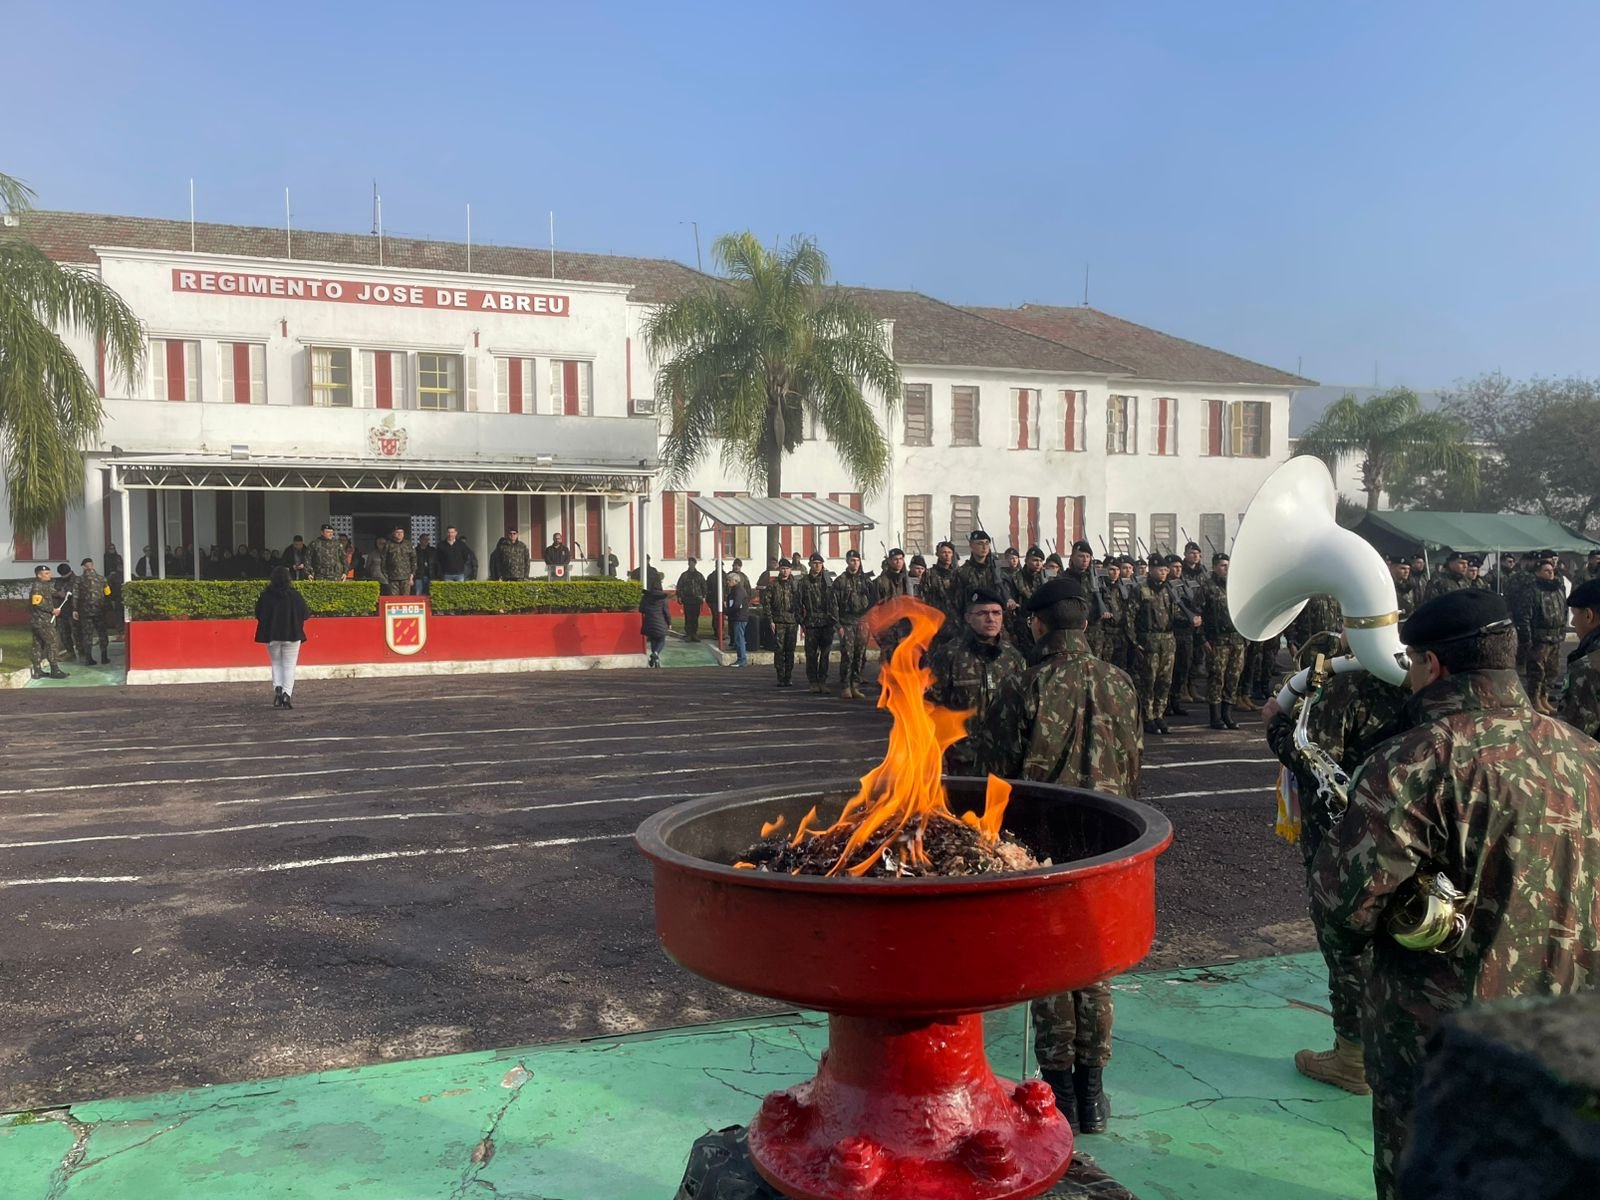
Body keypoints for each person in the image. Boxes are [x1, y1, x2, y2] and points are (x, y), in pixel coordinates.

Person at [1311, 590, 1600, 1200]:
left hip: (1442, 1043)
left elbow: (1343, 909)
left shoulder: (1418, 758)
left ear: (1432, 665)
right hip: (1572, 1032)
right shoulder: (1586, 756)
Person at [985, 575, 1143, 1134]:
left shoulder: (1026, 685)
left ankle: (1059, 1097)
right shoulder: (1122, 683)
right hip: (1109, 839)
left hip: (1047, 844)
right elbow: (1134, 762)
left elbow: (999, 773)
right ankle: (1094, 1096)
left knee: (1052, 968)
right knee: (1094, 966)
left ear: (1039, 623)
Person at [1264, 649, 1411, 1096]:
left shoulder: (1348, 686)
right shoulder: (1421, 682)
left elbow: (1313, 759)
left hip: (1345, 839)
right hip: (1411, 833)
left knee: (1347, 939)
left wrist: (1276, 723)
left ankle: (1352, 1058)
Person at [925, 587, 1025, 775]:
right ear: (968, 617)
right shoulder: (948, 655)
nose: (991, 619)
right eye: (982, 613)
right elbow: (930, 708)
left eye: (996, 613)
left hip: (1004, 759)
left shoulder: (1013, 657)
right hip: (963, 759)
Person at [1198, 553, 1246, 730]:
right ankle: (1215, 716)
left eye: (1228, 565)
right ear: (1214, 567)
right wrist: (1203, 639)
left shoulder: (1236, 586)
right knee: (1216, 677)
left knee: (1233, 677)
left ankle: (1228, 714)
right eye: (1222, 566)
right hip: (1217, 640)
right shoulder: (1207, 587)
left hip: (1236, 639)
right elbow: (1197, 614)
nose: (1226, 569)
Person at [1518, 554, 1569, 714]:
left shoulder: (1558, 588)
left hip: (1555, 637)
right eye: (1546, 570)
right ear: (1537, 573)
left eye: (1551, 570)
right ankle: (1534, 700)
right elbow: (1525, 616)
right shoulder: (1532, 590)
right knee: (1536, 672)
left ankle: (1544, 698)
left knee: (1552, 671)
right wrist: (1527, 638)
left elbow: (1564, 611)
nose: (1550, 573)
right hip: (1539, 639)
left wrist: (1562, 631)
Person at [254, 566, 310, 709]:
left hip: (272, 635)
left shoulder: (266, 595)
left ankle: (277, 690)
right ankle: (287, 694)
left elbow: (259, 614)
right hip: (292, 634)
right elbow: (305, 614)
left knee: (276, 663)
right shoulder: (295, 595)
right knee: (289, 666)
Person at [1134, 557, 1177, 735]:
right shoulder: (1141, 589)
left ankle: (1159, 714)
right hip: (1149, 641)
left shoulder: (1170, 590)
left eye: (1166, 570)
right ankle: (1147, 716)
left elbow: (1177, 613)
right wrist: (1135, 643)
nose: (1163, 572)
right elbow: (1131, 617)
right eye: (1160, 569)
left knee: (1165, 681)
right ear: (1150, 569)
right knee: (1148, 681)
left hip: (1167, 641)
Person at [1559, 578, 1600, 738]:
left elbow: (1573, 736)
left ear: (1589, 615)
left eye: (1575, 614)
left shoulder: (1588, 667)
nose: (1573, 622)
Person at [832, 548, 874, 697]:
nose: (854, 563)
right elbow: (834, 605)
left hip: (862, 623)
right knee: (848, 655)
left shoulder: (866, 581)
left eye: (857, 560)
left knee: (859, 655)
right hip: (847, 622)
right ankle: (845, 685)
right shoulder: (840, 581)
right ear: (847, 562)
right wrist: (838, 625)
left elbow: (873, 602)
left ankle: (855, 685)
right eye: (852, 561)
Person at [798, 552, 836, 693]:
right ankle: (813, 681)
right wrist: (802, 621)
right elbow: (798, 603)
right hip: (811, 623)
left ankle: (823, 681)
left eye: (819, 563)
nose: (817, 566)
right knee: (812, 654)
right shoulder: (803, 583)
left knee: (825, 655)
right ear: (809, 565)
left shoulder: (828, 582)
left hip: (826, 623)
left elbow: (834, 602)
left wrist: (833, 619)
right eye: (814, 563)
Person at [27, 564, 69, 680]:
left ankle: (37, 671)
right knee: (52, 643)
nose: (49, 575)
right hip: (42, 621)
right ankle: (54, 670)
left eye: (49, 573)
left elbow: (53, 592)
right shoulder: (37, 586)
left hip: (39, 621)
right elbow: (37, 602)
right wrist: (52, 610)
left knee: (38, 645)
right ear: (39, 575)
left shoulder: (44, 585)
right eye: (46, 573)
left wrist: (64, 593)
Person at [765, 557, 801, 687]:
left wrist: (800, 619)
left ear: (791, 570)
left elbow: (801, 603)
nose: (785, 571)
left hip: (792, 622)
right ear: (779, 569)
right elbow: (767, 603)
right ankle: (780, 676)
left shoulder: (796, 585)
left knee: (790, 650)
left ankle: (788, 676)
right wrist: (771, 620)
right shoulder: (773, 585)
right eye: (782, 568)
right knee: (779, 650)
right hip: (778, 621)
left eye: (787, 569)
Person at [72, 557, 114, 666]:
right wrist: (108, 607)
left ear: (83, 567)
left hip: (85, 611)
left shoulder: (79, 580)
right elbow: (108, 594)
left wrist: (74, 609)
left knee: (87, 634)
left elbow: (75, 595)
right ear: (93, 566)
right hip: (99, 610)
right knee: (102, 633)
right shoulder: (102, 579)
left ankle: (89, 658)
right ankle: (104, 657)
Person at [675, 557, 707, 641]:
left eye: (692, 563)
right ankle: (688, 634)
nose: (691, 565)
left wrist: (703, 596)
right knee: (688, 617)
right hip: (687, 600)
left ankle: (694, 634)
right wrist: (679, 596)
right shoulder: (684, 575)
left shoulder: (699, 575)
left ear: (695, 564)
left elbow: (704, 586)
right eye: (690, 563)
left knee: (695, 618)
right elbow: (679, 586)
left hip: (697, 600)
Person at [639, 581, 670, 668]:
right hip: (660, 622)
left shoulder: (645, 598)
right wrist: (669, 623)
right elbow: (666, 613)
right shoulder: (663, 599)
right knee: (661, 639)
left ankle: (655, 658)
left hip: (649, 622)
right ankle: (655, 653)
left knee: (653, 639)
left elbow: (641, 609)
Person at [52, 563, 78, 663]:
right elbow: (54, 592)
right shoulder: (58, 581)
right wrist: (58, 594)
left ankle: (82, 652)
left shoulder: (77, 580)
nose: (64, 577)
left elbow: (79, 594)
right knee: (64, 633)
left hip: (74, 610)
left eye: (65, 575)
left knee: (77, 633)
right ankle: (70, 652)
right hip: (62, 611)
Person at [724, 569, 751, 667]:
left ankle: (742, 660)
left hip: (739, 617)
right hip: (737, 617)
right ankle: (740, 659)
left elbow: (736, 605)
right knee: (738, 638)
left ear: (735, 581)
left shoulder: (738, 591)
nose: (727, 582)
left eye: (729, 580)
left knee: (740, 638)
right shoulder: (735, 590)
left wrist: (728, 611)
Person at [382, 525, 416, 597]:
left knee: (405, 599)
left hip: (406, 577)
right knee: (394, 600)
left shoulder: (408, 544)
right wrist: (386, 575)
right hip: (393, 577)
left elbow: (414, 560)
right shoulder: (388, 545)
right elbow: (383, 560)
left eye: (401, 532)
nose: (400, 534)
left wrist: (412, 575)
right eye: (397, 532)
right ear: (393, 534)